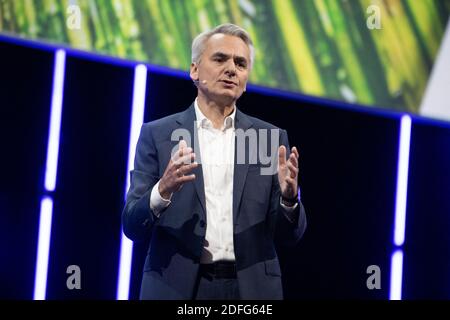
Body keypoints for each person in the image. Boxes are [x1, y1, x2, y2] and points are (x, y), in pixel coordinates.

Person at [122, 23, 306, 300]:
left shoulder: (270, 139)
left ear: (245, 80)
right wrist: (162, 190)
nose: (231, 69)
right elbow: (132, 225)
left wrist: (289, 201)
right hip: (177, 287)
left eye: (240, 63)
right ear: (194, 70)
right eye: (220, 59)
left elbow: (288, 236)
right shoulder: (158, 135)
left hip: (251, 291)